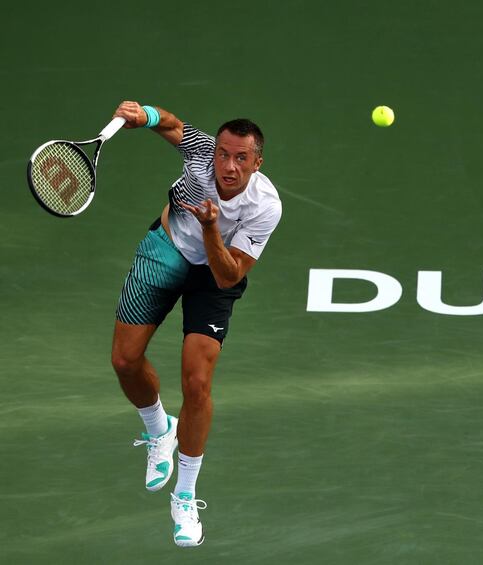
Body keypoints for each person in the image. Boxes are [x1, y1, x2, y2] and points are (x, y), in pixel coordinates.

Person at [109, 101, 282, 547]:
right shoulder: (202, 152)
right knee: (125, 360)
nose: (227, 165)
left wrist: (210, 225)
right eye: (223, 153)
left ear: (257, 162)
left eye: (241, 158)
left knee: (197, 383)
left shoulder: (265, 207)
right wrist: (141, 113)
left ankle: (184, 495)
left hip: (216, 273)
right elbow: (169, 124)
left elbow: (229, 275)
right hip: (166, 249)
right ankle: (158, 429)